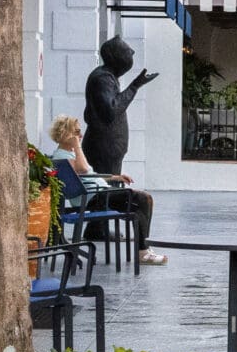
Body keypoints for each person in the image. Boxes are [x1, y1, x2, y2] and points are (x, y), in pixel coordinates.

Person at [48, 113, 165, 265]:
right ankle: (143, 250)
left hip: (98, 194)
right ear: (66, 134)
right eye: (76, 132)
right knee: (142, 199)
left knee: (140, 205)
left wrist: (114, 177)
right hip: (92, 197)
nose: (81, 135)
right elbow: (83, 170)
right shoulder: (63, 155)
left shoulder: (68, 153)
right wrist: (77, 145)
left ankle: (143, 249)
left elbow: (88, 175)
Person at [81, 36, 157, 178]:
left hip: (109, 149)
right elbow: (112, 109)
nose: (132, 53)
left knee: (108, 190)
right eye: (127, 52)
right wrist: (135, 86)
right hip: (104, 148)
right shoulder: (102, 78)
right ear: (116, 56)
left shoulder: (108, 77)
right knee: (104, 192)